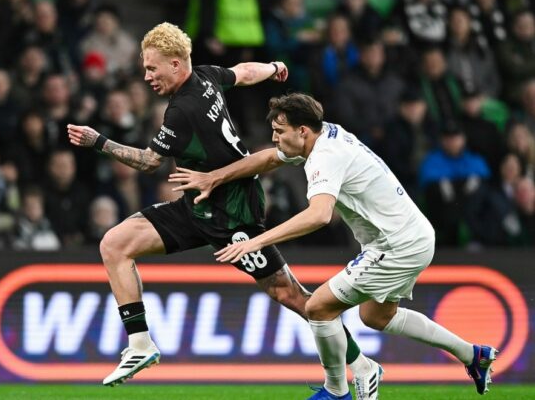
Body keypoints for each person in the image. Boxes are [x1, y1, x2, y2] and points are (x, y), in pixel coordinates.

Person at [67, 23, 380, 398]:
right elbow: (243, 72)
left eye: (152, 68)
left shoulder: (182, 111)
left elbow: (149, 162)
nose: (147, 76)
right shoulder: (205, 77)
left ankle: (362, 364)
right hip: (198, 204)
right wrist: (273, 67)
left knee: (291, 295)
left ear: (175, 64)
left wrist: (98, 141)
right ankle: (140, 344)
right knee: (115, 244)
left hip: (233, 213)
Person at [170, 92, 496, 399]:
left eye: (279, 131)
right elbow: (269, 158)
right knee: (377, 317)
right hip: (411, 237)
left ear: (302, 131)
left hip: (397, 245)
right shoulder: (323, 133)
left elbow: (319, 215)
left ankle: (337, 390)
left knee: (318, 308)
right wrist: (215, 177)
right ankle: (473, 354)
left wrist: (257, 241)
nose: (274, 138)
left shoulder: (324, 157)